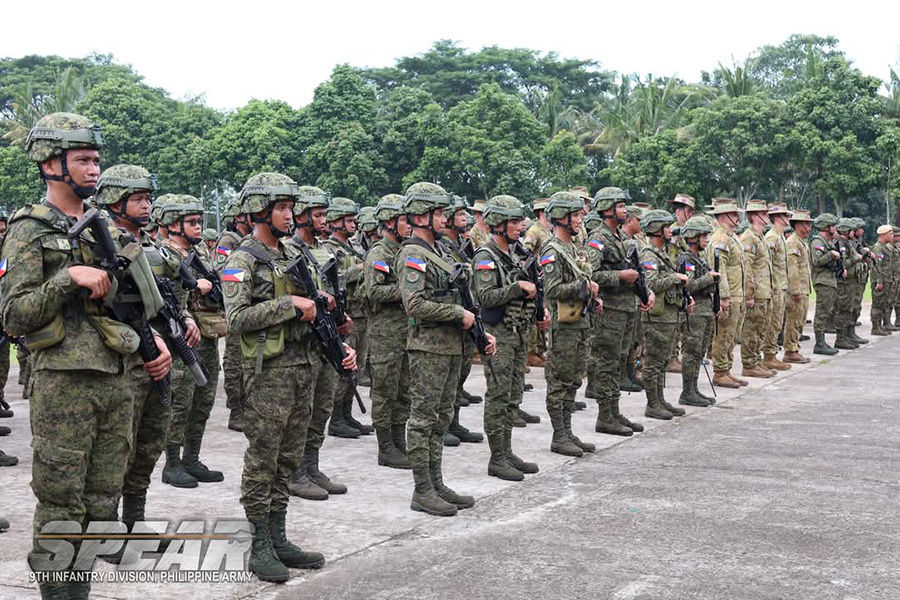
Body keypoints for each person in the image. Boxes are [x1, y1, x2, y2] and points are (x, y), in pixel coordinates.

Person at [1, 113, 171, 599]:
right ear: (51, 163)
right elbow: (13, 315)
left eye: (96, 160)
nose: (94, 169)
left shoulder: (106, 233)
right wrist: (66, 278)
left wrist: (153, 345)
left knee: (101, 502)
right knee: (61, 503)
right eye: (83, 160)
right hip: (64, 382)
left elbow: (133, 308)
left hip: (118, 380)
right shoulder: (29, 230)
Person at [224, 172, 346, 582]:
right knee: (263, 459)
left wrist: (320, 305)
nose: (289, 215)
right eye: (280, 208)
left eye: (290, 207)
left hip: (304, 368)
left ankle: (279, 535)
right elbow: (237, 319)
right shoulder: (242, 259)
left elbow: (314, 303)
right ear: (259, 211)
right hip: (267, 373)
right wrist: (289, 304)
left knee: (288, 458)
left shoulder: (294, 253)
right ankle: (258, 543)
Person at [93, 164, 180, 546]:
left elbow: (168, 296)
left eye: (149, 198)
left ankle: (135, 523)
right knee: (116, 451)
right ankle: (108, 531)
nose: (147, 206)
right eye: (139, 199)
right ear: (115, 201)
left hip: (158, 357)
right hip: (123, 362)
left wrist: (186, 319)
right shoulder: (100, 243)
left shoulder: (153, 248)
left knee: (148, 445)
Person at [397, 182, 496, 516]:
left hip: (451, 347)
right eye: (437, 213)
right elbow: (414, 304)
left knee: (441, 418)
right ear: (420, 215)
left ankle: (436, 483)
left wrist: (477, 329)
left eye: (442, 213)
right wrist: (458, 315)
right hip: (428, 349)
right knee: (423, 420)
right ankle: (422, 488)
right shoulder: (412, 254)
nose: (444, 219)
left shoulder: (443, 251)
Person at [473, 195, 548, 481]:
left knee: (513, 395)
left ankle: (506, 451)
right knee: (498, 396)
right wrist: (517, 287)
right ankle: (497, 457)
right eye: (515, 221)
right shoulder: (485, 257)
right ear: (499, 224)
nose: (520, 226)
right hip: (499, 333)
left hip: (517, 332)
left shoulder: (514, 254)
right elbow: (485, 297)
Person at [283, 186, 351, 500]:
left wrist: (341, 318)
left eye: (325, 215)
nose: (325, 220)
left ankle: (311, 465)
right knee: (302, 411)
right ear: (302, 216)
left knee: (322, 405)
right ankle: (295, 472)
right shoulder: (287, 250)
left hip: (326, 336)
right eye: (319, 215)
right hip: (301, 341)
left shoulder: (324, 251)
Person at [157, 196, 224, 487]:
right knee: (180, 403)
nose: (199, 227)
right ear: (173, 224)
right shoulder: (164, 255)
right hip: (179, 339)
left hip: (206, 336)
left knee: (203, 402)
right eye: (192, 222)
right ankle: (172, 463)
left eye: (200, 222)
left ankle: (192, 458)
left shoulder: (201, 254)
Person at [587, 187, 653, 436]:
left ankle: (614, 411)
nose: (625, 211)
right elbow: (590, 274)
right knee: (606, 362)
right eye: (621, 206)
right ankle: (605, 416)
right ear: (607, 209)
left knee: (618, 362)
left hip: (626, 309)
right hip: (609, 310)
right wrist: (618, 276)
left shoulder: (619, 237)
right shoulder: (598, 237)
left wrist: (645, 292)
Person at [540, 191, 602, 457]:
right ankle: (558, 435)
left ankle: (567, 431)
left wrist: (590, 295)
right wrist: (584, 286)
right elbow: (552, 289)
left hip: (579, 323)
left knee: (575, 378)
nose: (580, 219)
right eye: (575, 215)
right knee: (559, 380)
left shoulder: (572, 248)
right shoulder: (552, 250)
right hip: (563, 327)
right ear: (561, 217)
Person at [365, 195, 413, 469]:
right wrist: (408, 291)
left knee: (404, 389)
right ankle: (385, 447)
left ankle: (399, 440)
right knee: (385, 391)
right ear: (388, 222)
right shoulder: (379, 253)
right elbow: (374, 291)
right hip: (385, 335)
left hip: (405, 332)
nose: (409, 225)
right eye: (404, 220)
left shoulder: (404, 251)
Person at [322, 198, 373, 438]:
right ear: (336, 222)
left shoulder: (354, 247)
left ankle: (347, 413)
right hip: (345, 316)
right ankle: (337, 419)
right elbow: (333, 277)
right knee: (344, 368)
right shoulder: (327, 248)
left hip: (362, 313)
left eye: (354, 220)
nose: (354, 224)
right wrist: (361, 269)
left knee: (358, 366)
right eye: (349, 220)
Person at [439, 196, 484, 445]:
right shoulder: (442, 247)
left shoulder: (459, 243)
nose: (464, 218)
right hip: (453, 316)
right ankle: (443, 424)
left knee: (461, 374)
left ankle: (453, 421)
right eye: (459, 214)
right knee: (446, 380)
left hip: (466, 314)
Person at [639, 210, 693, 419]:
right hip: (656, 317)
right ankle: (652, 403)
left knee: (661, 360)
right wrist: (674, 277)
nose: (670, 231)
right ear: (656, 230)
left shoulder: (661, 253)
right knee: (652, 361)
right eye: (666, 227)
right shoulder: (648, 254)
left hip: (667, 316)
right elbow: (650, 283)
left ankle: (660, 400)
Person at [215, 200, 252, 432]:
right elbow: (222, 270)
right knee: (235, 362)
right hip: (236, 304)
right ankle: (236, 411)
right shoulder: (229, 240)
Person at [675, 217, 719, 407]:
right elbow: (689, 285)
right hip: (695, 313)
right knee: (691, 352)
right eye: (703, 236)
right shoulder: (686, 259)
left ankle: (694, 389)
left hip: (705, 311)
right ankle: (687, 391)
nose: (706, 239)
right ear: (693, 237)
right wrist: (709, 278)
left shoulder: (698, 259)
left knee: (699, 353)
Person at [707, 198, 748, 389]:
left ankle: (727, 370)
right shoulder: (720, 238)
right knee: (722, 335)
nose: (737, 217)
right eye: (733, 214)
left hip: (736, 293)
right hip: (728, 294)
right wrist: (723, 296)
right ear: (723, 216)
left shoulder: (731, 236)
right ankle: (720, 372)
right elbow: (719, 269)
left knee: (731, 335)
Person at [739, 200, 775, 378]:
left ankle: (756, 361)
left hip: (765, 292)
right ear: (755, 216)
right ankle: (749, 364)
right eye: (764, 214)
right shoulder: (748, 238)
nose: (768, 217)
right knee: (751, 330)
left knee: (761, 329)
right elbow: (746, 268)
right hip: (757, 293)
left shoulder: (760, 237)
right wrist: (750, 294)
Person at [761, 203, 792, 371]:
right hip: (774, 287)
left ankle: (771, 354)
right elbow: (768, 265)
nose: (788, 219)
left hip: (781, 286)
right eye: (785, 216)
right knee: (772, 323)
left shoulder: (779, 236)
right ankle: (768, 356)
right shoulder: (772, 237)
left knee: (777, 322)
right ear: (778, 218)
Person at [808, 213, 842, 355]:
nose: (835, 228)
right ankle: (819, 343)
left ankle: (822, 342)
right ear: (825, 227)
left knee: (826, 311)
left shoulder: (827, 242)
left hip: (829, 281)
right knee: (822, 313)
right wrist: (831, 255)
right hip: (823, 281)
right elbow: (817, 261)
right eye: (832, 226)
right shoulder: (817, 242)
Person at [783, 210, 814, 363]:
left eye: (809, 224)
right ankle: (790, 351)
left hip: (804, 288)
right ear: (798, 225)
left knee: (800, 320)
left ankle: (794, 348)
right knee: (793, 321)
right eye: (806, 224)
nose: (809, 227)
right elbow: (792, 268)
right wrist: (795, 289)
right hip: (797, 290)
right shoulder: (793, 242)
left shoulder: (802, 242)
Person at [869, 225, 894, 336]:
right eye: (890, 233)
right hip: (880, 280)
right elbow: (876, 265)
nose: (892, 236)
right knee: (877, 304)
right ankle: (875, 327)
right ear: (884, 235)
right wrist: (879, 281)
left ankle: (880, 326)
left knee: (883, 303)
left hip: (886, 280)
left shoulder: (885, 247)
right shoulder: (877, 248)